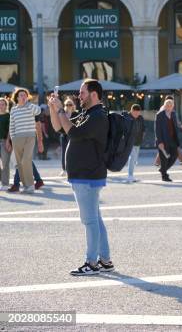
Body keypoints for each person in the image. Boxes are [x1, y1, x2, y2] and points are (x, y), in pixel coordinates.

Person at [48, 79, 113, 276]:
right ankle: (105, 260)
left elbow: (74, 134)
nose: (79, 96)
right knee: (96, 220)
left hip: (87, 175)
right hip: (85, 174)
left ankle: (92, 263)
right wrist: (54, 108)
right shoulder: (88, 114)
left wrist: (61, 110)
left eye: (83, 92)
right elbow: (60, 128)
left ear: (94, 94)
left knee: (90, 221)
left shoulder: (98, 116)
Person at [8, 88, 41, 193]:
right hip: (17, 138)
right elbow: (11, 125)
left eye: (25, 95)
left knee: (26, 160)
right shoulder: (13, 109)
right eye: (21, 95)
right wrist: (13, 138)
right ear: (17, 97)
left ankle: (31, 185)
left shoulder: (30, 107)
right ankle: (26, 185)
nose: (23, 97)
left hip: (30, 137)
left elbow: (38, 111)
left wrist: (28, 104)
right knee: (19, 163)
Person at [155, 98, 181, 182]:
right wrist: (160, 142)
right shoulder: (159, 115)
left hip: (172, 139)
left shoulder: (173, 114)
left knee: (175, 155)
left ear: (173, 106)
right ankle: (164, 176)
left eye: (171, 105)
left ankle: (163, 169)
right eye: (167, 105)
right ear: (165, 106)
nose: (169, 107)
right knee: (164, 159)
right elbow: (157, 130)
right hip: (162, 140)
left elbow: (175, 126)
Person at [126, 103, 145, 183]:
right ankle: (130, 176)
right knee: (132, 157)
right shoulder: (127, 118)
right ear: (131, 111)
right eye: (135, 113)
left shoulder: (140, 118)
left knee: (135, 159)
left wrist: (142, 137)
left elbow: (144, 128)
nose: (137, 114)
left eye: (138, 113)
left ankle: (131, 175)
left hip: (138, 141)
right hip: (130, 142)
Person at [58, 99, 76, 176]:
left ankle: (72, 168)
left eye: (70, 104)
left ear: (73, 106)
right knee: (64, 152)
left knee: (73, 152)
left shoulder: (76, 114)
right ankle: (64, 169)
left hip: (72, 135)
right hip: (64, 135)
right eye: (67, 105)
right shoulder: (63, 114)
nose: (68, 106)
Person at [0, 97, 10, 190]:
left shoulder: (8, 115)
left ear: (6, 105)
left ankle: (5, 184)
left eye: (3, 104)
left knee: (4, 163)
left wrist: (8, 141)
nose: (1, 106)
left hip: (4, 142)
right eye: (0, 104)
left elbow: (10, 130)